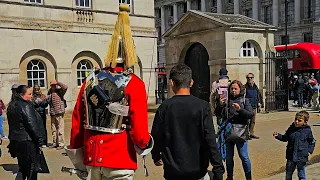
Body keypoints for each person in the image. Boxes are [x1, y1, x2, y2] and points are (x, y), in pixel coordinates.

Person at [67, 4, 153, 180]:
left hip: (91, 157)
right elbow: (139, 132)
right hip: (120, 159)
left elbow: (77, 121)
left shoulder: (90, 80)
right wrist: (145, 143)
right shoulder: (134, 83)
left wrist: (78, 157)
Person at [151, 64, 225, 180]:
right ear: (191, 82)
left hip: (173, 172)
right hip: (197, 170)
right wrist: (218, 168)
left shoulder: (164, 107)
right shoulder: (202, 107)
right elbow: (210, 139)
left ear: (171, 83)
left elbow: (156, 135)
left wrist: (156, 155)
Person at [215, 80, 254, 180]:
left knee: (244, 157)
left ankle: (248, 177)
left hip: (240, 132)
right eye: (231, 88)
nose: (233, 90)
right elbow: (217, 113)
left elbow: (250, 114)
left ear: (240, 89)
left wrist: (240, 110)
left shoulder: (245, 100)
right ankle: (229, 177)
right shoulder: (226, 100)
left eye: (235, 88)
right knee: (229, 158)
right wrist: (220, 104)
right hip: (228, 132)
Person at [7, 85, 47, 180]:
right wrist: (40, 141)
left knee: (23, 169)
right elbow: (31, 125)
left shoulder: (11, 106)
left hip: (16, 141)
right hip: (27, 142)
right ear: (21, 95)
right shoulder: (25, 106)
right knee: (31, 171)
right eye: (29, 94)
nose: (31, 96)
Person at [273, 111, 316, 180]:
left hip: (301, 157)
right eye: (295, 119)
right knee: (288, 174)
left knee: (301, 174)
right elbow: (285, 138)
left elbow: (312, 141)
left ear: (305, 122)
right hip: (291, 156)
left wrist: (309, 151)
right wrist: (278, 136)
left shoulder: (307, 131)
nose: (296, 122)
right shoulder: (291, 129)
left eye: (299, 120)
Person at [47, 80, 68, 150]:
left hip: (59, 112)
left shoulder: (60, 91)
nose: (53, 86)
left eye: (54, 85)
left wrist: (58, 82)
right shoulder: (49, 92)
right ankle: (55, 143)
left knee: (60, 129)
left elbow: (65, 87)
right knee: (53, 129)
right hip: (53, 113)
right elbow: (48, 100)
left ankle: (61, 143)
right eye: (52, 85)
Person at [244, 73, 263, 140]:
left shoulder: (255, 87)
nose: (250, 79)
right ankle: (246, 134)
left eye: (251, 77)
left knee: (253, 121)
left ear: (253, 78)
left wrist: (259, 103)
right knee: (247, 121)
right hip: (248, 107)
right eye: (248, 78)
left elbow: (258, 96)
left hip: (254, 106)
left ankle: (251, 133)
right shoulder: (245, 87)